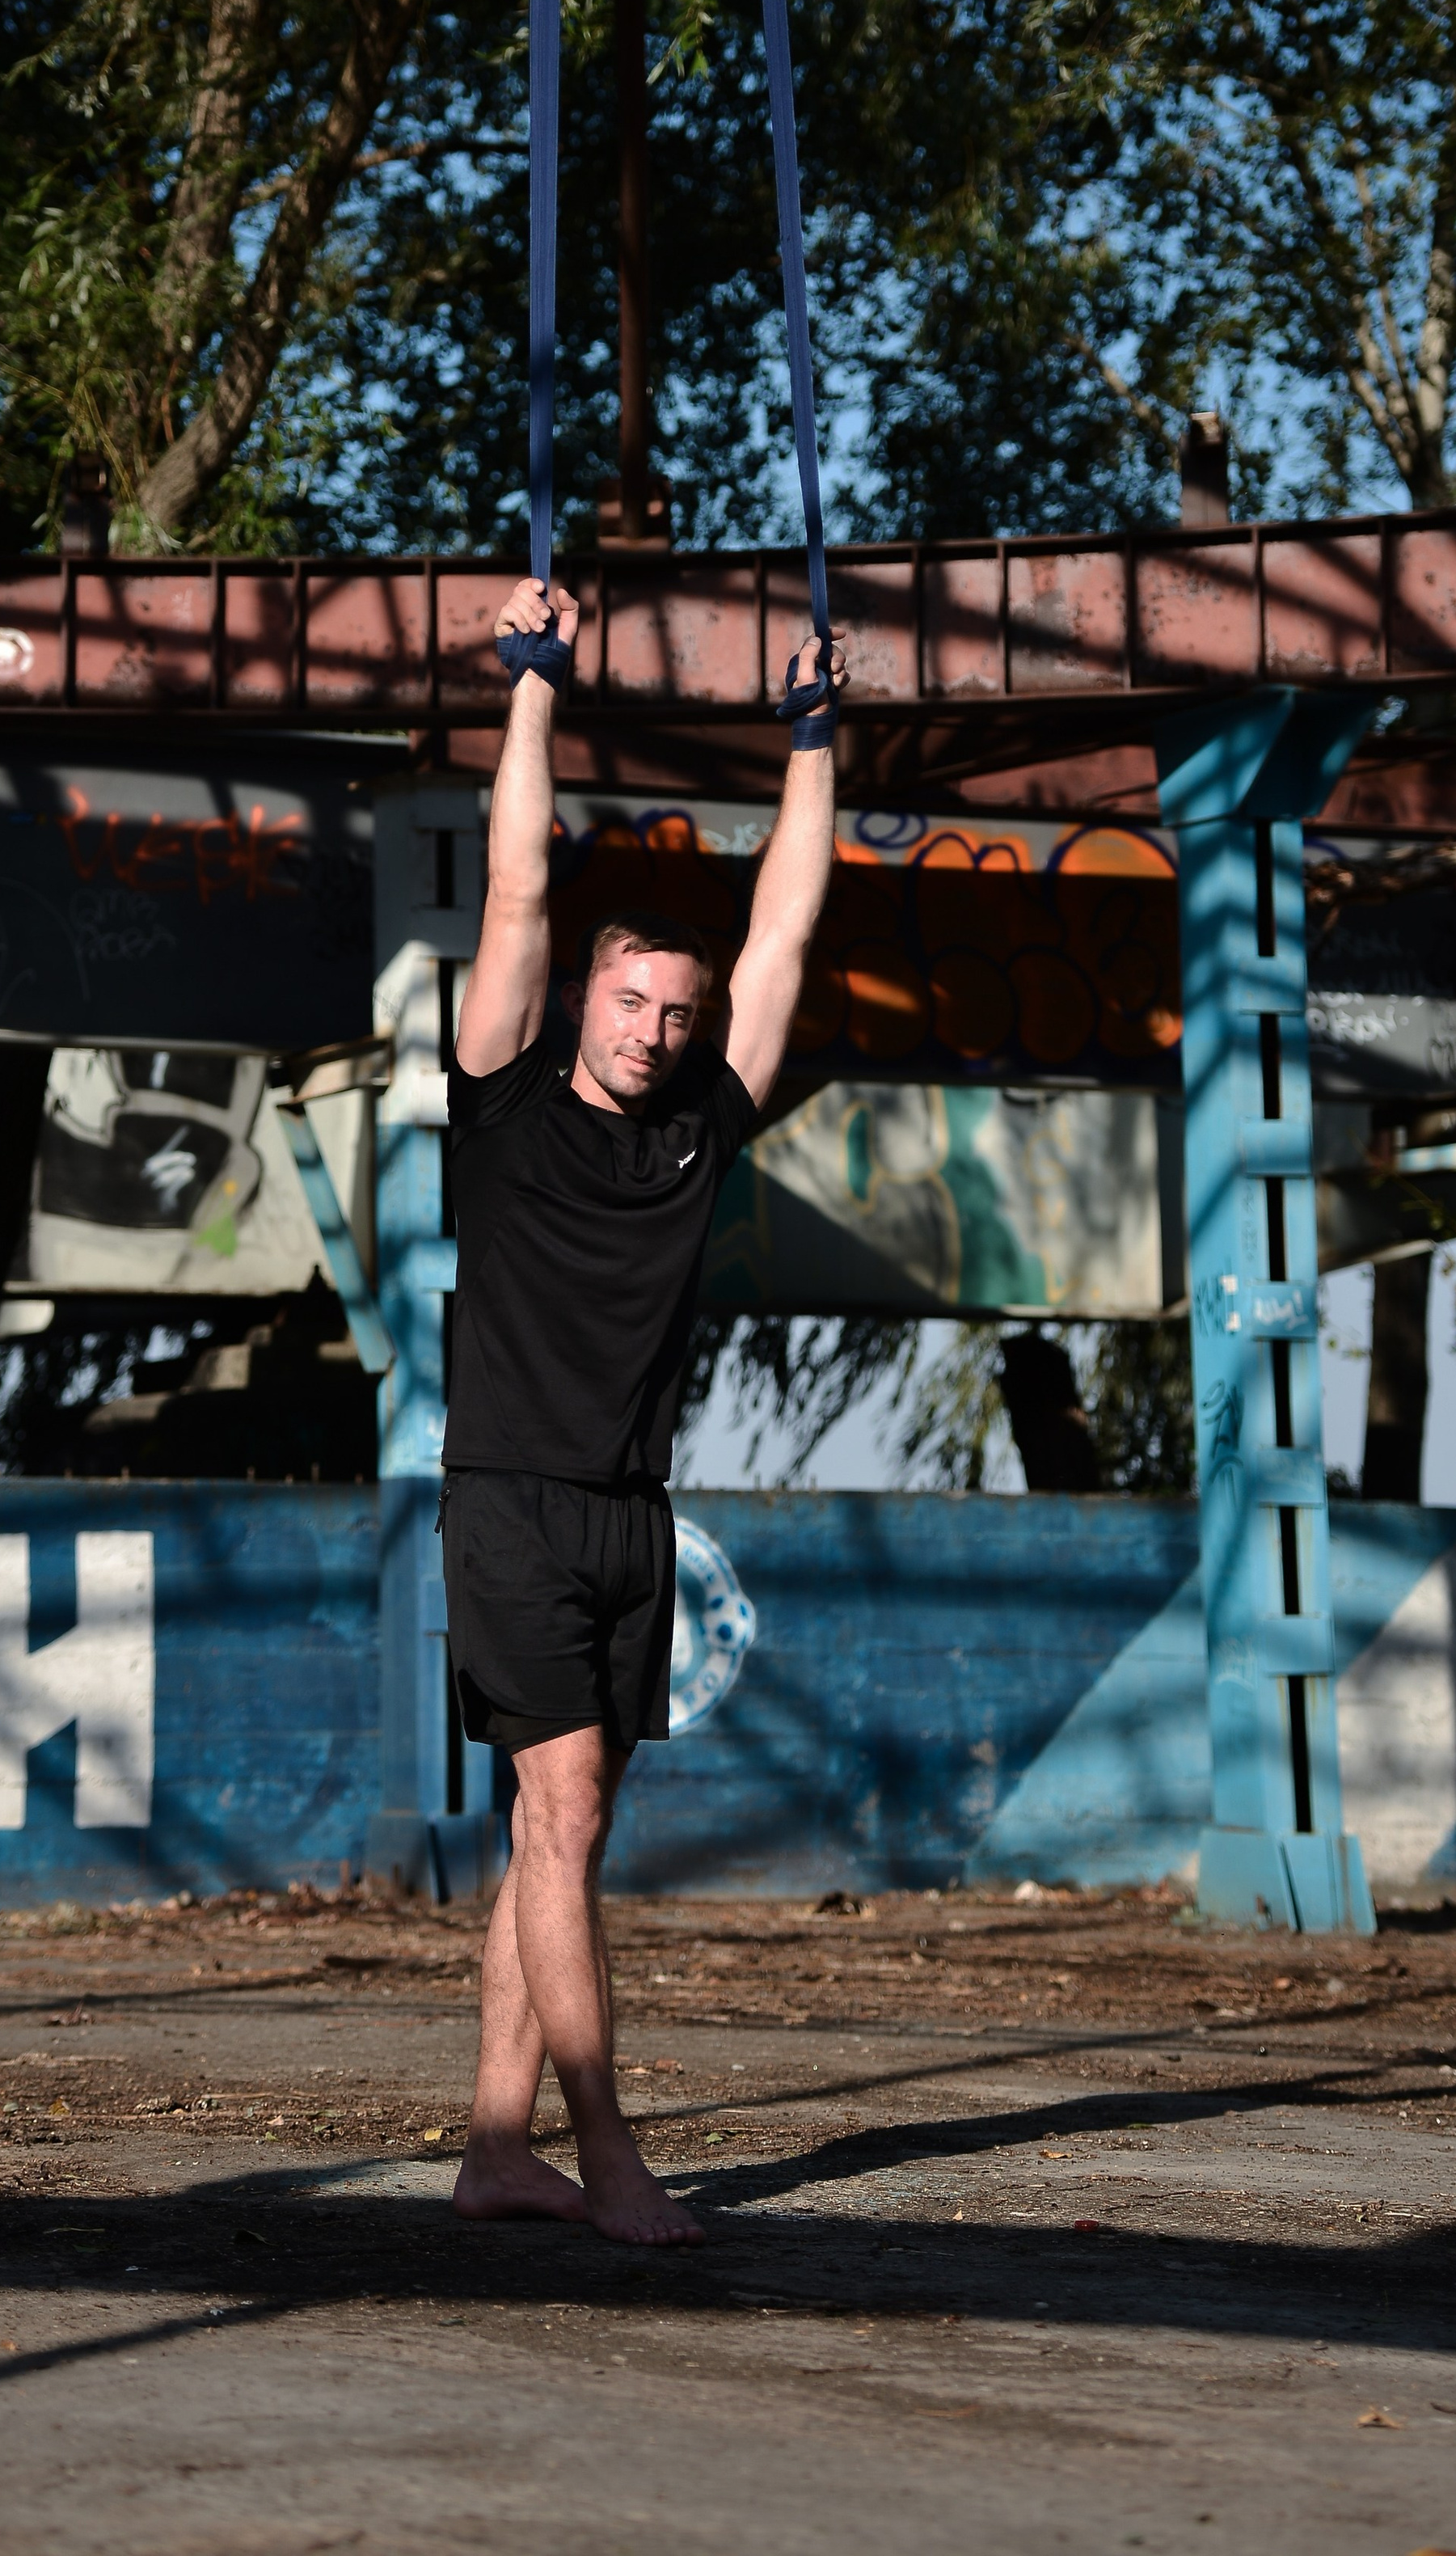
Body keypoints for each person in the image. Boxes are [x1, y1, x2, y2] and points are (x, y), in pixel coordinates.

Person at [444, 571, 840, 2246]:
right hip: (510, 1497)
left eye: (675, 1014)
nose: (658, 1028)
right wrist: (534, 680)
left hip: (627, 1510)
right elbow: (520, 882)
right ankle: (610, 2154)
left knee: (558, 1838)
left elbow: (786, 929)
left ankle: (490, 2146)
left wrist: (817, 737)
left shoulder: (698, 1117)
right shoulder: (502, 1086)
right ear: (586, 998)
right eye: (632, 1002)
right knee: (567, 1811)